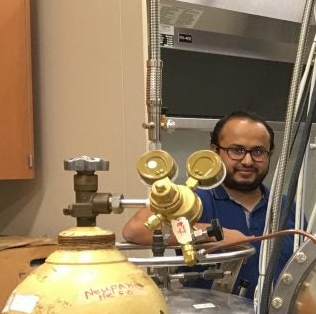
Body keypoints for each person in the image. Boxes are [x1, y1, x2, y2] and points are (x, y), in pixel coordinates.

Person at [123, 111, 294, 299]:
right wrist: (211, 234)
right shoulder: (192, 200)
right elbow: (136, 229)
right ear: (214, 151)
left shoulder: (286, 207)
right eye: (237, 150)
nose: (247, 161)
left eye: (258, 152)